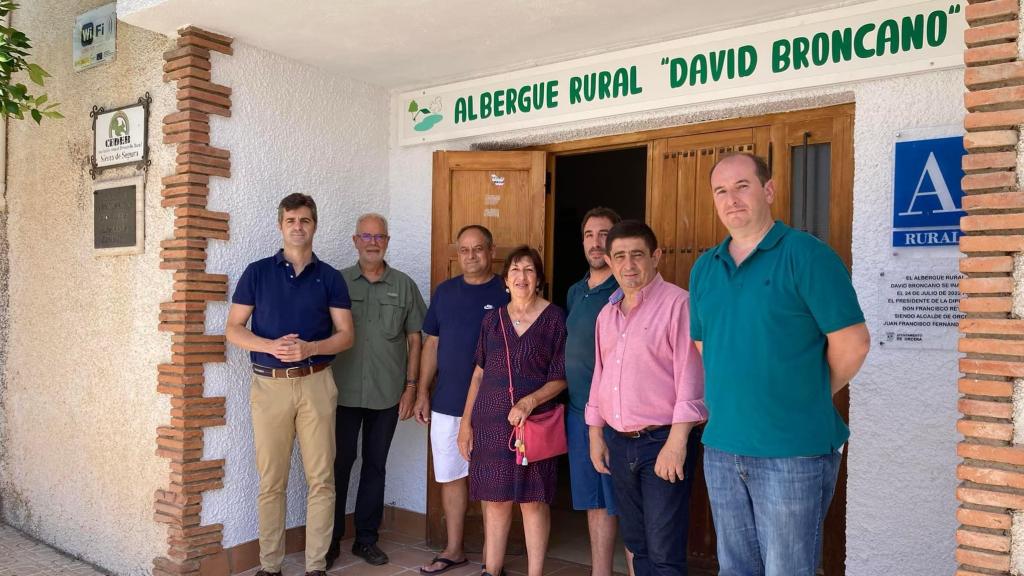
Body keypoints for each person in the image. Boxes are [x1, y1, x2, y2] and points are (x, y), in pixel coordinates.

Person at [689, 153, 870, 576]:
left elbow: (853, 344)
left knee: (789, 569)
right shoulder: (704, 268)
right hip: (722, 446)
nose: (731, 198)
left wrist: (805, 394)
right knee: (735, 569)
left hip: (794, 452)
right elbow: (704, 345)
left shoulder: (807, 256)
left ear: (768, 191)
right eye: (721, 191)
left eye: (742, 186)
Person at [225, 193, 355, 576]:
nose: (298, 227)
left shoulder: (330, 277)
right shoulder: (257, 272)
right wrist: (271, 346)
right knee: (271, 480)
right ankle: (270, 565)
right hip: (269, 387)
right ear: (281, 225)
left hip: (316, 384)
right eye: (291, 220)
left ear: (315, 226)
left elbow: (346, 335)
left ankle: (315, 566)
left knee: (322, 480)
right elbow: (233, 329)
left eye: (305, 220)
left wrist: (311, 347)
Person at [586, 220, 706, 576]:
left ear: (656, 257)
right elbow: (600, 375)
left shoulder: (678, 304)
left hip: (662, 442)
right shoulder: (607, 314)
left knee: (664, 550)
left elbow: (692, 376)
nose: (628, 265)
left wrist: (678, 441)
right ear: (609, 260)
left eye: (637, 255)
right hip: (619, 444)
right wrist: (595, 434)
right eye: (619, 256)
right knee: (637, 544)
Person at [457, 245, 567, 576]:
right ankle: (493, 569)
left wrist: (529, 402)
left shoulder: (554, 319)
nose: (522, 277)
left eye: (529, 270)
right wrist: (466, 423)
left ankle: (535, 573)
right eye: (516, 270)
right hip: (490, 423)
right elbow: (478, 373)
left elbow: (561, 376)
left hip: (534, 425)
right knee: (495, 500)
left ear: (539, 279)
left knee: (533, 501)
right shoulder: (493, 319)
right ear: (506, 280)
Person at [326, 213, 426, 567]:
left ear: (387, 241)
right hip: (340, 393)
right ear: (355, 241)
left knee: (375, 466)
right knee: (337, 466)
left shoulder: (404, 285)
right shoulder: (336, 283)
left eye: (379, 236)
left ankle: (366, 539)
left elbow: (416, 340)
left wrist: (412, 387)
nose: (372, 242)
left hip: (387, 394)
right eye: (365, 236)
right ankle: (330, 539)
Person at [413, 225, 509, 575]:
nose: (471, 256)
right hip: (446, 403)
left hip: (493, 406)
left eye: (478, 249)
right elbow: (432, 344)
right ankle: (453, 549)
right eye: (464, 249)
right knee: (451, 477)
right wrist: (423, 390)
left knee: (488, 479)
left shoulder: (506, 291)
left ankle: (491, 555)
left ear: (491, 250)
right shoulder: (445, 292)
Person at [564, 207, 633, 576]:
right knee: (594, 501)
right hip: (579, 412)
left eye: (604, 233)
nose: (596, 241)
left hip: (617, 416)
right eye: (589, 234)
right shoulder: (576, 291)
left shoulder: (625, 290)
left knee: (625, 502)